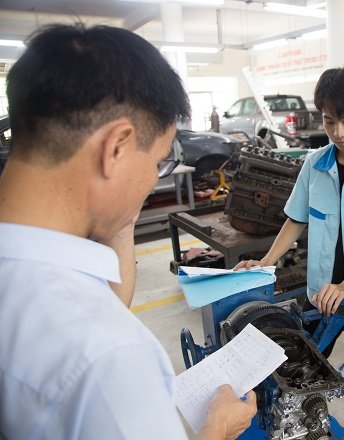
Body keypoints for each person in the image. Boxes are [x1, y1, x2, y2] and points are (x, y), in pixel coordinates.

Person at [0, 23, 256, 439]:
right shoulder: (108, 355)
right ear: (116, 146)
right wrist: (218, 429)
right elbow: (95, 324)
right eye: (157, 163)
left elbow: (99, 299)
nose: (153, 179)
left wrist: (118, 209)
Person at [234, 64, 344, 437]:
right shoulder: (315, 164)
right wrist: (266, 262)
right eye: (329, 122)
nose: (338, 133)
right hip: (318, 297)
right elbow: (295, 219)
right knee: (301, 373)